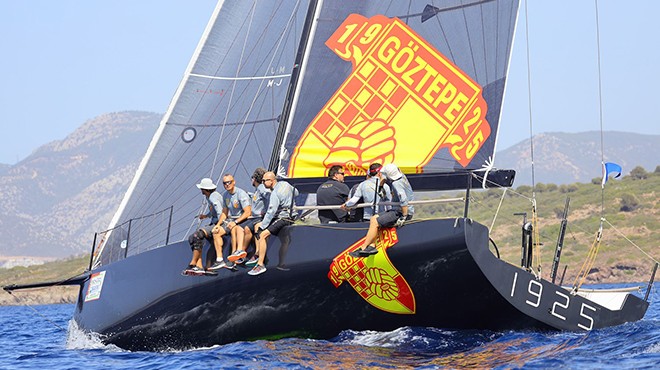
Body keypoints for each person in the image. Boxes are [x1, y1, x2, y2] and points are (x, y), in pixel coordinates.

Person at [348, 163, 414, 257]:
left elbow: (403, 199)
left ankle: (363, 248)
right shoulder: (402, 176)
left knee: (375, 221)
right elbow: (384, 177)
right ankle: (372, 246)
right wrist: (381, 187)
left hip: (400, 212)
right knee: (374, 218)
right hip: (400, 210)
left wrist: (404, 217)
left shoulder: (396, 184)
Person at [249, 171, 298, 276]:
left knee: (262, 235)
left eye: (264, 181)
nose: (262, 183)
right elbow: (296, 192)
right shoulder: (285, 184)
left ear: (271, 181)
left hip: (284, 218)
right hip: (292, 216)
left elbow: (271, 211)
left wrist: (262, 227)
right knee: (285, 240)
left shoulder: (275, 194)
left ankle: (260, 264)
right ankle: (281, 264)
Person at [227, 167, 271, 266]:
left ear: (255, 179)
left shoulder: (261, 188)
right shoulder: (257, 189)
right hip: (254, 217)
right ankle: (241, 252)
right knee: (244, 228)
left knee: (249, 227)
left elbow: (269, 196)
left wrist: (268, 210)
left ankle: (255, 253)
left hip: (259, 217)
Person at [207, 173, 252, 270]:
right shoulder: (225, 195)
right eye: (224, 183)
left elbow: (248, 212)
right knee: (216, 233)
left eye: (229, 182)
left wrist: (235, 222)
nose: (227, 184)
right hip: (230, 220)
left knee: (234, 229)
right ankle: (219, 260)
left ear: (234, 182)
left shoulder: (241, 194)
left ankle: (236, 255)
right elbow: (224, 212)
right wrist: (218, 225)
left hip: (241, 220)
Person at [185, 177, 223, 274]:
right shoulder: (209, 196)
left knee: (196, 236)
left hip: (219, 223)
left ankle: (193, 264)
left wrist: (218, 225)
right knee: (191, 238)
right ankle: (200, 266)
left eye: (201, 188)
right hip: (214, 222)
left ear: (205, 189)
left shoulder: (214, 197)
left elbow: (220, 212)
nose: (201, 190)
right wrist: (206, 216)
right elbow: (213, 211)